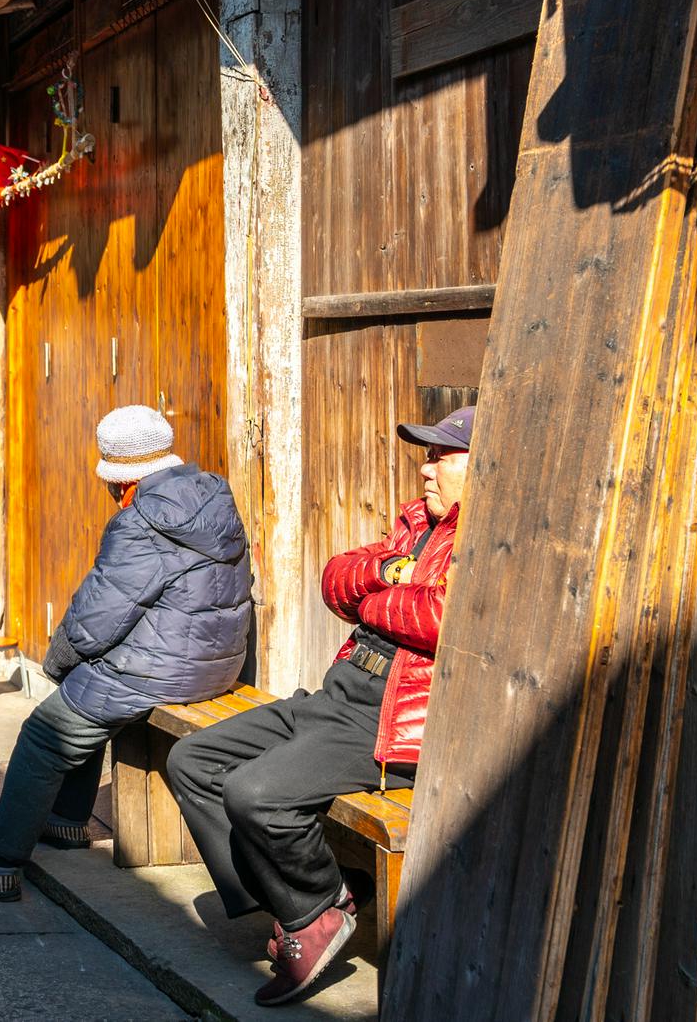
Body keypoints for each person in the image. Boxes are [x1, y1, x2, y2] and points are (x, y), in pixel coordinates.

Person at [162, 406, 471, 1007]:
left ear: (482, 466)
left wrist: (375, 600)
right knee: (194, 763)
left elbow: (440, 617)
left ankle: (314, 911)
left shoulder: (484, 538)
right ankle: (303, 904)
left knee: (253, 794)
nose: (426, 471)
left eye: (441, 457)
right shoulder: (414, 525)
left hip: (387, 720)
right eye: (427, 457)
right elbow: (337, 578)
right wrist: (388, 571)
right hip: (339, 692)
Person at [0, 405, 251, 902]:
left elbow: (96, 621)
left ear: (124, 481)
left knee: (45, 734)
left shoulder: (140, 523)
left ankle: (2, 864)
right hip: (216, 663)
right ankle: (69, 821)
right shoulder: (212, 499)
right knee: (87, 692)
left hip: (164, 669)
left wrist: (56, 660)